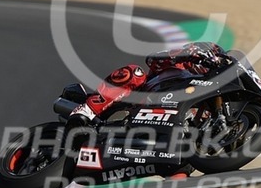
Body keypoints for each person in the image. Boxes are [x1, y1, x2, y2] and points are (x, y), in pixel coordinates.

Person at [66, 42, 229, 128]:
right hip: (135, 103)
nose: (215, 64)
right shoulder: (178, 65)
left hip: (162, 130)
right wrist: (186, 55)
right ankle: (86, 111)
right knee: (134, 73)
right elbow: (153, 59)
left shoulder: (204, 96)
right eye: (215, 58)